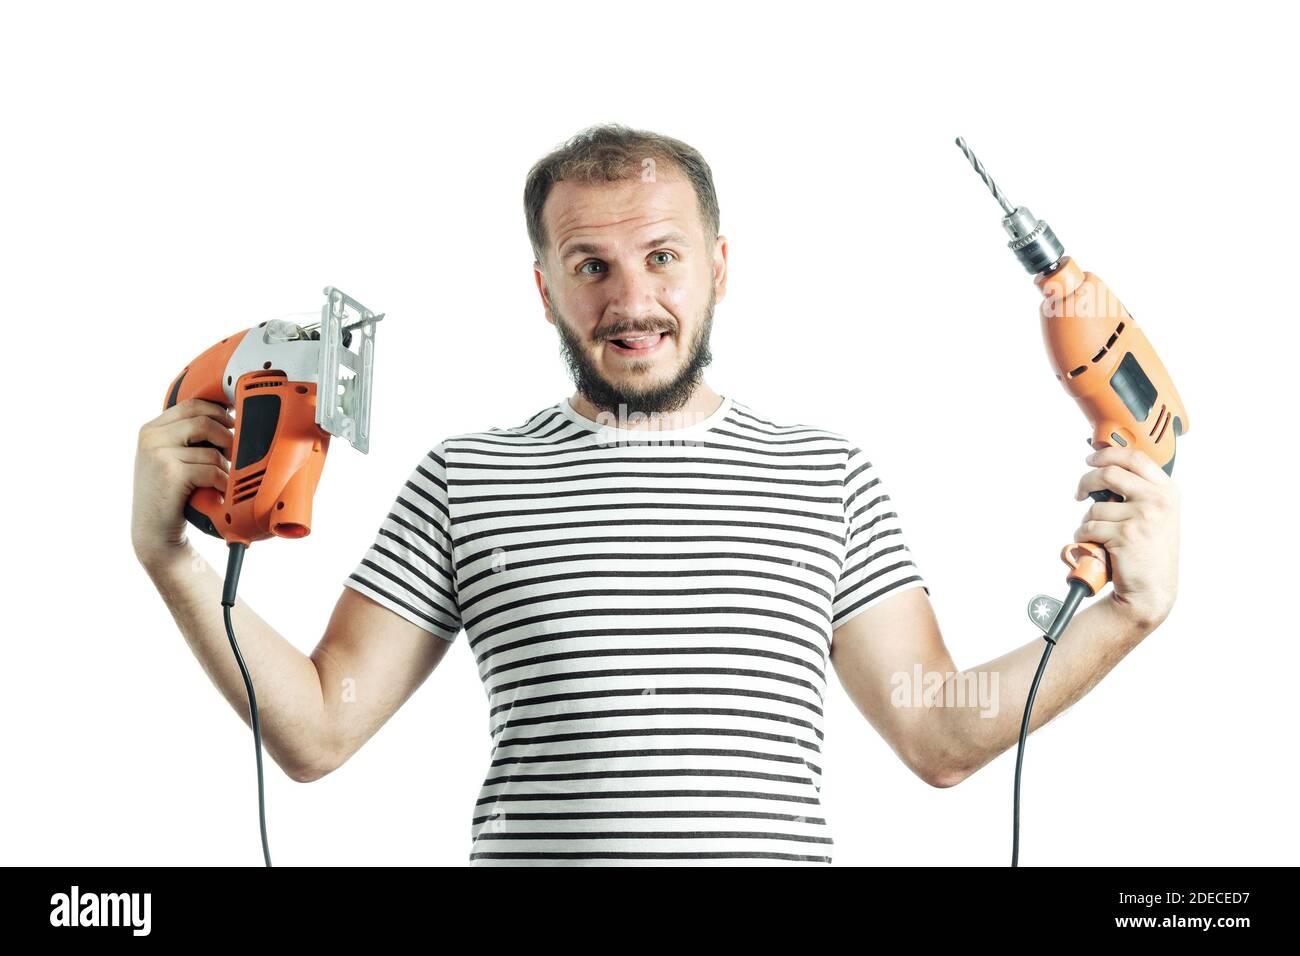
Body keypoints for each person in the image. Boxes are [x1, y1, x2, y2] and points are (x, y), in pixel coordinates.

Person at [131, 123, 1181, 866]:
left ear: (718, 267)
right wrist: (170, 558)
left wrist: (1129, 613)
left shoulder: (826, 475)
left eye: (662, 256)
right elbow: (317, 729)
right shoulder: (466, 477)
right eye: (590, 265)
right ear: (543, 286)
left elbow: (939, 736)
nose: (632, 299)